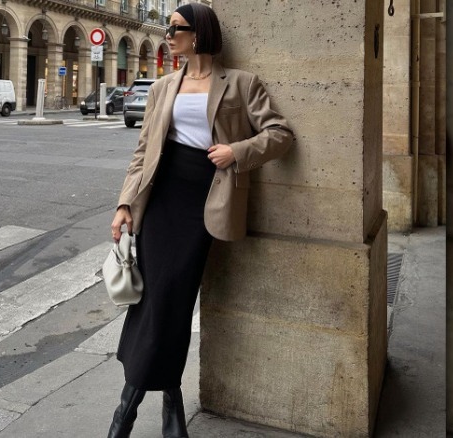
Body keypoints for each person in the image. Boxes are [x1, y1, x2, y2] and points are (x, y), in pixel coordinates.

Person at [107, 3, 294, 437]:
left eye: (175, 29)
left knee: (172, 300)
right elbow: (143, 154)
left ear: (200, 34)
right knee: (155, 301)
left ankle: (140, 406)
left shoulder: (241, 83)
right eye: (168, 29)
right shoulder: (163, 86)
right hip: (162, 200)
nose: (167, 36)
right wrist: (124, 205)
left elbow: (280, 134)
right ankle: (141, 407)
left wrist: (237, 152)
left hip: (205, 201)